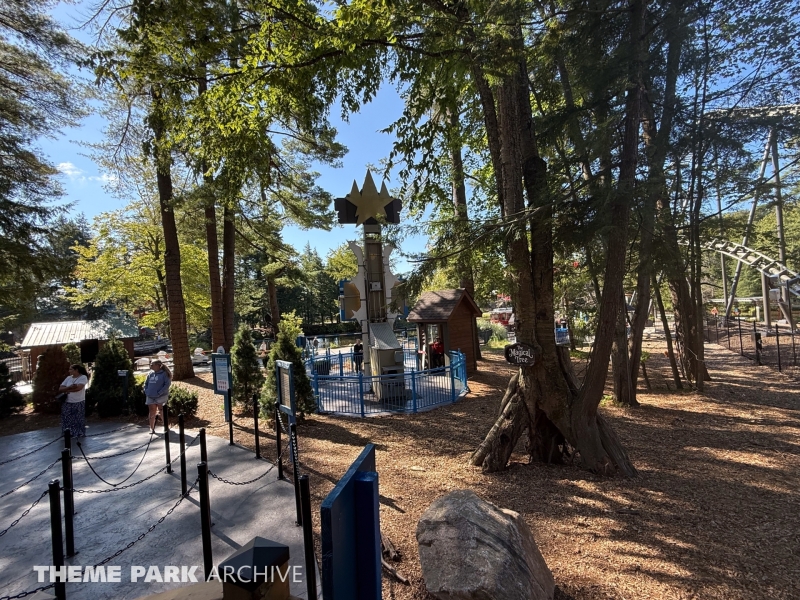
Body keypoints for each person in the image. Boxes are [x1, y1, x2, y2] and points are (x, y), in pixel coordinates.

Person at [59, 364, 89, 438]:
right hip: (68, 401)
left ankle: (79, 433)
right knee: (67, 418)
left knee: (78, 418)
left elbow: (78, 388)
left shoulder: (83, 377)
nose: (69, 371)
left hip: (78, 401)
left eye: (71, 369)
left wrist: (67, 389)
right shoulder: (68, 378)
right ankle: (68, 433)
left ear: (76, 370)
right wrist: (69, 387)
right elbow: (60, 388)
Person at [144, 360, 172, 434]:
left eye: (152, 364)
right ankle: (152, 428)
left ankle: (166, 427)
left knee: (161, 411)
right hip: (150, 396)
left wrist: (159, 392)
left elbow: (167, 385)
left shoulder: (164, 374)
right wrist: (146, 391)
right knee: (152, 411)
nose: (151, 365)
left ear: (158, 365)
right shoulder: (150, 374)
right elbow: (146, 384)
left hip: (161, 396)